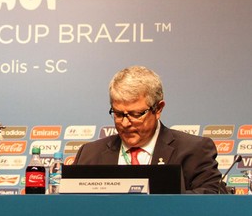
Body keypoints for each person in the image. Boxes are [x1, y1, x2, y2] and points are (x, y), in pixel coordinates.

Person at [74, 65, 222, 194]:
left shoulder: (193, 150)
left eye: (135, 114)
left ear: (158, 109)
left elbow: (209, 199)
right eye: (118, 114)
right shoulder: (89, 155)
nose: (125, 123)